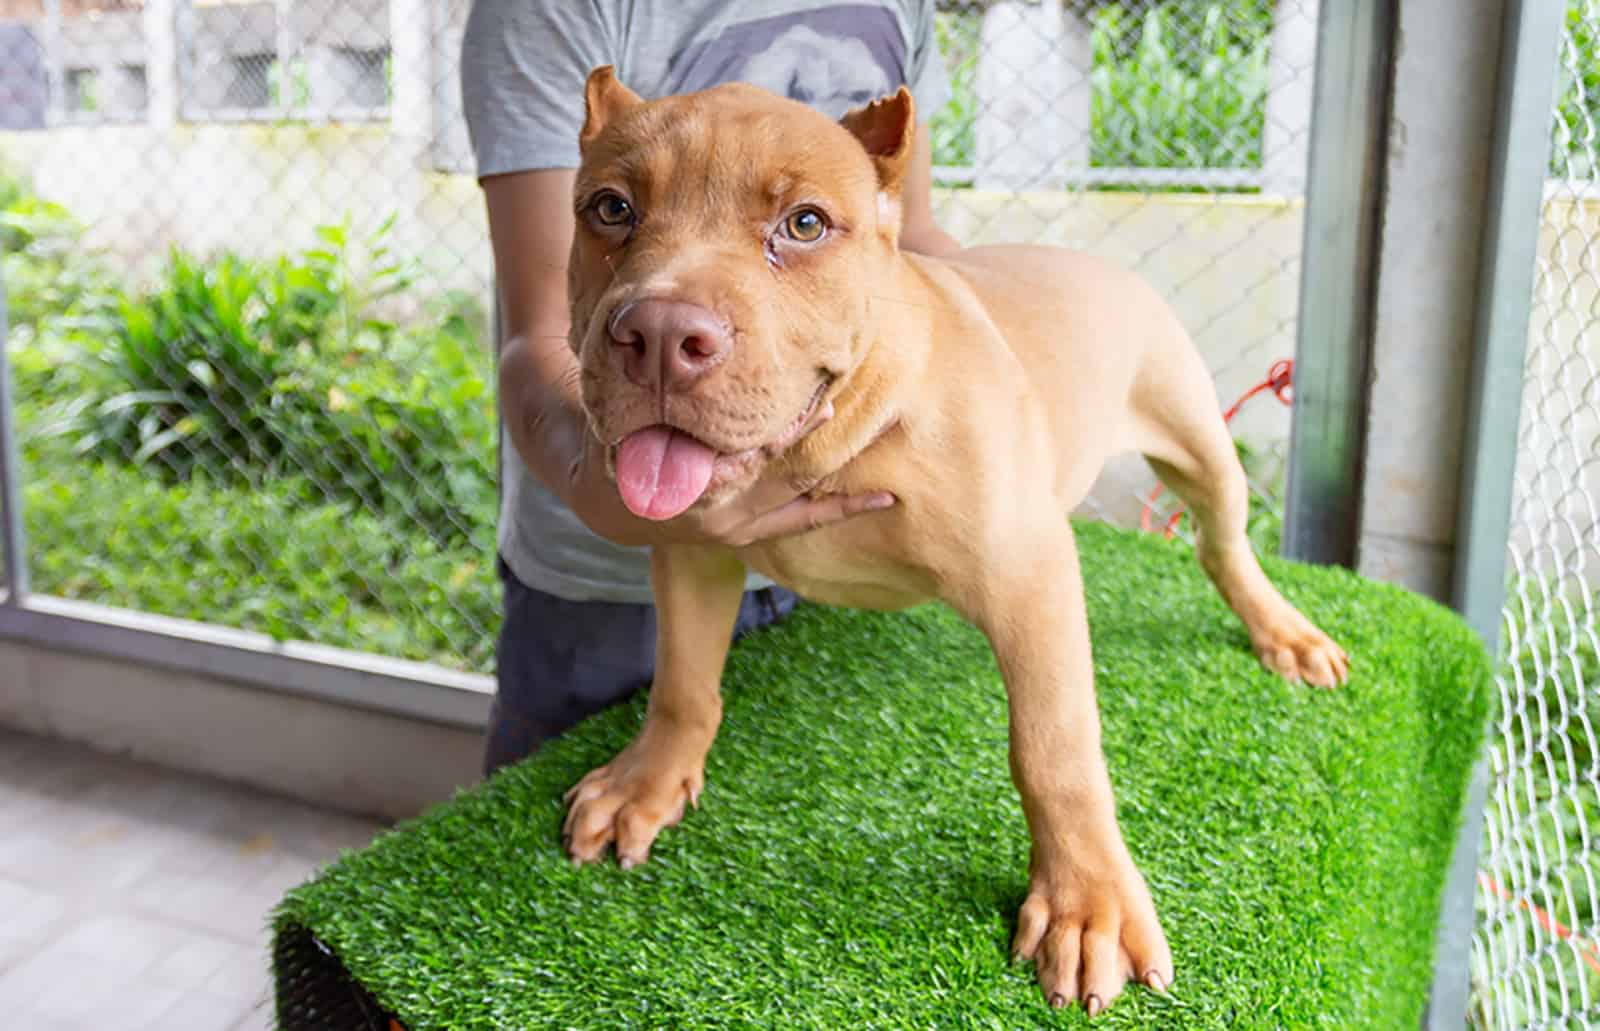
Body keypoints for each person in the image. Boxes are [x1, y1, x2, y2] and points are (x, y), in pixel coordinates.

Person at [460, 0, 963, 774]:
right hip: (617, 592)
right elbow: (538, 335)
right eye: (619, 210)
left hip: (849, 546)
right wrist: (616, 502)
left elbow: (910, 237)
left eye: (799, 224)